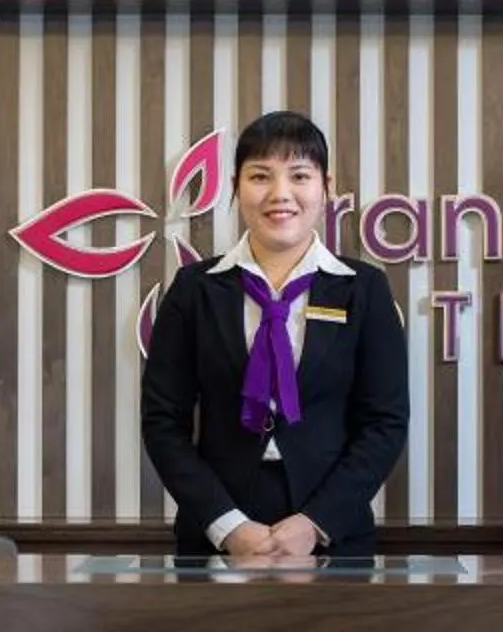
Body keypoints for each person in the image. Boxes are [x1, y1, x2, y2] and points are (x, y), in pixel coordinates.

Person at [142, 110, 410, 560]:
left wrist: (316, 523)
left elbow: (385, 423)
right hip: (215, 533)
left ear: (327, 187)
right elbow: (162, 421)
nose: (280, 194)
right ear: (235, 186)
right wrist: (228, 526)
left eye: (299, 175)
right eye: (260, 176)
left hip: (332, 532)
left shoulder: (363, 289)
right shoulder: (195, 290)